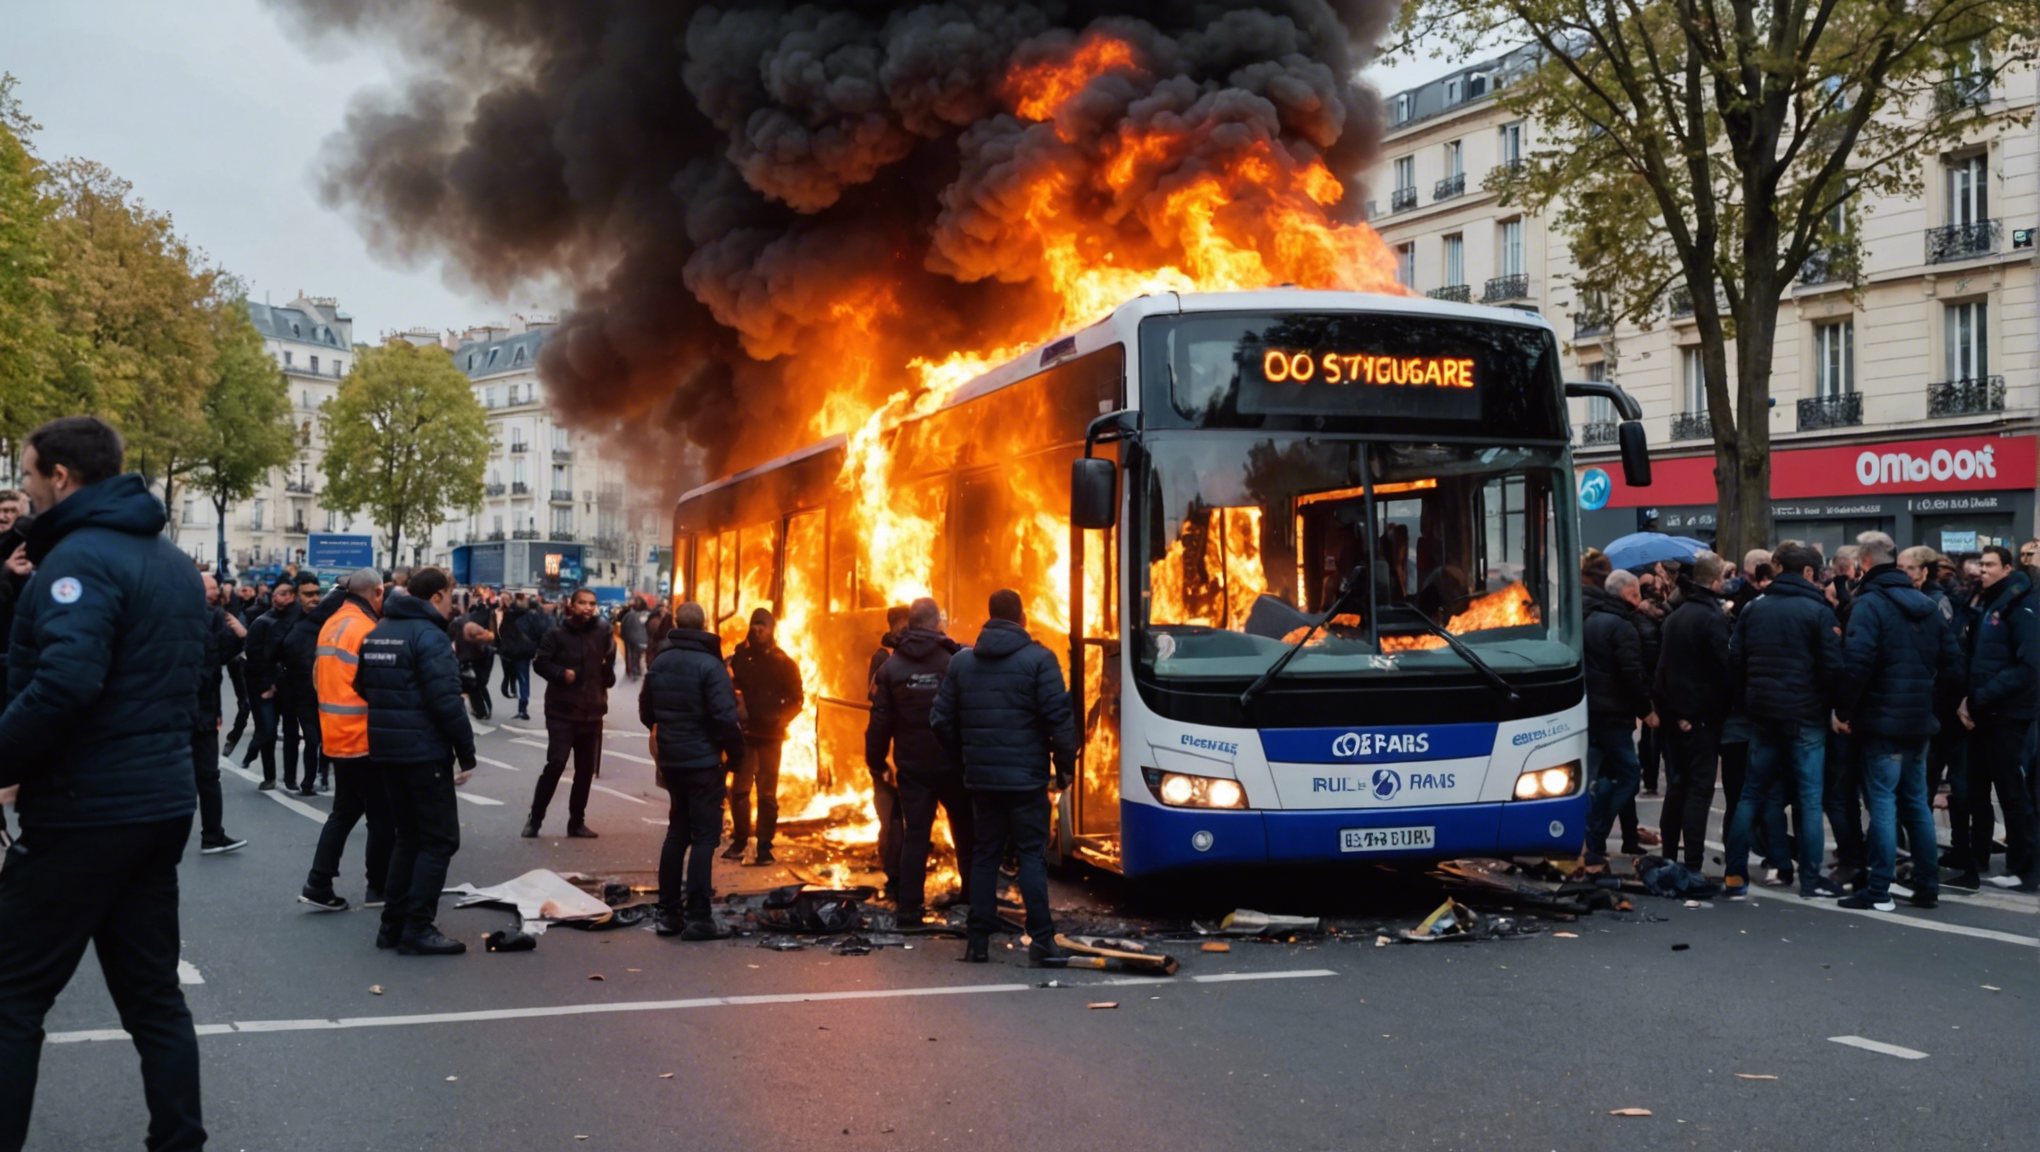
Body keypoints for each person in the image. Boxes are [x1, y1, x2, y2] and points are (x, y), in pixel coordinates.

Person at [0, 416, 210, 1151]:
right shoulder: (171, 561)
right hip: (159, 800)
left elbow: (65, 683)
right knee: (153, 998)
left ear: (60, 476)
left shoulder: (80, 560)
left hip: (86, 807)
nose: (24, 492)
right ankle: (179, 1141)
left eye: (28, 476)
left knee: (11, 995)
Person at [931, 589, 1077, 964]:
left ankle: (977, 942)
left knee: (985, 856)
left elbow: (940, 720)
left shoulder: (962, 662)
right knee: (1031, 857)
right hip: (1027, 780)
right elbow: (1059, 720)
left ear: (990, 616)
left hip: (982, 781)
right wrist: (1065, 766)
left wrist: (966, 758)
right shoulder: (1040, 660)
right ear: (1022, 617)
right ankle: (1042, 941)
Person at [1833, 532, 1962, 911]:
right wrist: (1929, 700)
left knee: (1884, 805)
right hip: (1918, 720)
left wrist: (1843, 711)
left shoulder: (1869, 604)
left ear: (1864, 563)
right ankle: (1927, 885)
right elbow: (1953, 665)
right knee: (1916, 804)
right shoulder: (1926, 605)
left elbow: (1857, 664)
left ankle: (1879, 889)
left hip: (1881, 720)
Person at [356, 566, 478, 954]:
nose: (453, 605)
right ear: (437, 595)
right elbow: (446, 701)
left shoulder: (378, 631)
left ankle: (392, 926)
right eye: (452, 597)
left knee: (408, 838)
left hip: (387, 748)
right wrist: (466, 752)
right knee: (439, 840)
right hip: (424, 750)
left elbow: (361, 684)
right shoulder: (430, 636)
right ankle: (417, 928)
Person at [1722, 542, 1847, 899]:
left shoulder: (1754, 608)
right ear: (1807, 572)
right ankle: (1810, 879)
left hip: (1763, 713)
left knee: (1751, 795)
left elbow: (1735, 661)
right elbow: (1833, 667)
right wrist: (1832, 705)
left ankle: (1735, 876)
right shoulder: (1818, 611)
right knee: (1809, 800)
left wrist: (1751, 696)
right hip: (1806, 714)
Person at [640, 601, 744, 940]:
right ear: (704, 625)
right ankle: (699, 917)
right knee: (704, 837)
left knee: (677, 833)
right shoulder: (711, 666)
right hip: (703, 763)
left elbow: (646, 711)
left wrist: (668, 734)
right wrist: (736, 757)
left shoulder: (661, 661)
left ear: (676, 623)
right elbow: (725, 719)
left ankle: (669, 914)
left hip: (672, 762)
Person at [869, 597, 973, 927]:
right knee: (965, 831)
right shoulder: (955, 661)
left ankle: (910, 909)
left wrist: (876, 760)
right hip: (952, 765)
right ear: (936, 622)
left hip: (913, 767)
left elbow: (880, 721)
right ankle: (972, 899)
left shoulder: (892, 667)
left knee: (915, 835)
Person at [299, 568, 393, 912]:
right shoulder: (366, 629)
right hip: (363, 736)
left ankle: (318, 883)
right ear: (377, 592)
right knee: (382, 816)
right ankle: (378, 888)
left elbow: (316, 677)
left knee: (345, 811)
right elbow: (376, 686)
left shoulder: (333, 623)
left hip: (336, 735)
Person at [1956, 545, 2038, 892]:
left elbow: (2028, 666)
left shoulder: (2021, 604)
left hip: (2007, 713)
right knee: (1977, 788)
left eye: (1990, 565)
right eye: (1981, 564)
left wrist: (1980, 697)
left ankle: (2025, 869)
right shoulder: (1989, 601)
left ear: (2007, 568)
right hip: (1984, 710)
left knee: (2011, 792)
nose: (1983, 570)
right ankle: (1976, 858)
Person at [1652, 551, 1734, 871]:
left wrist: (1672, 713)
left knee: (1676, 787)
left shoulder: (1675, 617)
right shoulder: (1712, 619)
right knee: (1699, 790)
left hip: (1676, 714)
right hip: (1701, 717)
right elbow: (1723, 671)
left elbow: (1662, 671)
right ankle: (1693, 863)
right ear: (1714, 582)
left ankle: (1668, 856)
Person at [525, 587, 616, 838]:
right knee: (556, 764)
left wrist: (607, 674)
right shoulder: (556, 634)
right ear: (572, 605)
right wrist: (561, 674)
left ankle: (576, 822)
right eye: (583, 603)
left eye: (592, 604)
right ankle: (535, 819)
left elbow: (608, 671)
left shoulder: (603, 633)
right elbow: (540, 663)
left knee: (585, 771)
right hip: (562, 711)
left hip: (592, 712)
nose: (588, 608)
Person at [1581, 561, 1655, 864]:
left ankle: (1595, 837)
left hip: (1589, 711)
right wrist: (1646, 710)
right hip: (1614, 714)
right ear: (1628, 593)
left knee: (1597, 775)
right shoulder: (1622, 626)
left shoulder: (1587, 618)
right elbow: (1631, 674)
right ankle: (1596, 831)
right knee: (1628, 776)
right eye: (1635, 593)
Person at [725, 606, 804, 865]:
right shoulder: (741, 659)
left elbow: (797, 699)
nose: (758, 629)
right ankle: (740, 840)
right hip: (746, 736)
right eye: (755, 624)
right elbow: (729, 688)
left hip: (771, 738)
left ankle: (764, 846)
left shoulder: (784, 662)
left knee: (767, 796)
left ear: (772, 629)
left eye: (763, 625)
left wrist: (779, 719)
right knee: (740, 791)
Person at [193, 574, 249, 855]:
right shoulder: (212, 617)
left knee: (182, 775)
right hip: (197, 708)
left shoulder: (169, 614)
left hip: (181, 708)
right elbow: (216, 660)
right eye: (211, 588)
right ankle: (212, 835)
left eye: (217, 587)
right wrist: (242, 636)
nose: (216, 592)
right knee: (206, 775)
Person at [864, 603, 913, 895]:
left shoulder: (919, 657)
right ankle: (893, 875)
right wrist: (878, 760)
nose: (905, 631)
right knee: (891, 816)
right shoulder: (883, 659)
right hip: (891, 751)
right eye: (901, 625)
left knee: (908, 819)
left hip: (909, 752)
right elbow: (877, 705)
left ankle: (903, 874)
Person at [241, 578, 299, 790]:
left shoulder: (297, 620)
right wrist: (267, 684)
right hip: (263, 685)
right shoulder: (262, 622)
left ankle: (290, 778)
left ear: (292, 597)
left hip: (288, 685)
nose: (277, 597)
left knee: (291, 732)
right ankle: (269, 775)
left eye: (283, 594)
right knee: (267, 731)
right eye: (276, 593)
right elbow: (254, 657)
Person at [275, 571, 328, 795]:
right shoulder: (288, 620)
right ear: (298, 596)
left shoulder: (326, 619)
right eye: (308, 594)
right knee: (292, 734)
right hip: (291, 687)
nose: (314, 598)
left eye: (317, 593)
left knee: (315, 737)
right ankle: (290, 778)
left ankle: (312, 780)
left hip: (317, 688)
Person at [496, 591, 545, 721]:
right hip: (523, 653)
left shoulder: (508, 615)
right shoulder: (530, 616)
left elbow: (501, 633)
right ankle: (522, 708)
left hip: (510, 652)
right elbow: (539, 632)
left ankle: (512, 693)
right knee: (523, 679)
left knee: (511, 676)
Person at [620, 597, 651, 680]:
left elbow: (623, 625)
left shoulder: (628, 615)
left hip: (630, 639)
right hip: (642, 639)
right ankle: (638, 672)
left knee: (633, 656)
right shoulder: (646, 615)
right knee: (638, 657)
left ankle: (633, 672)